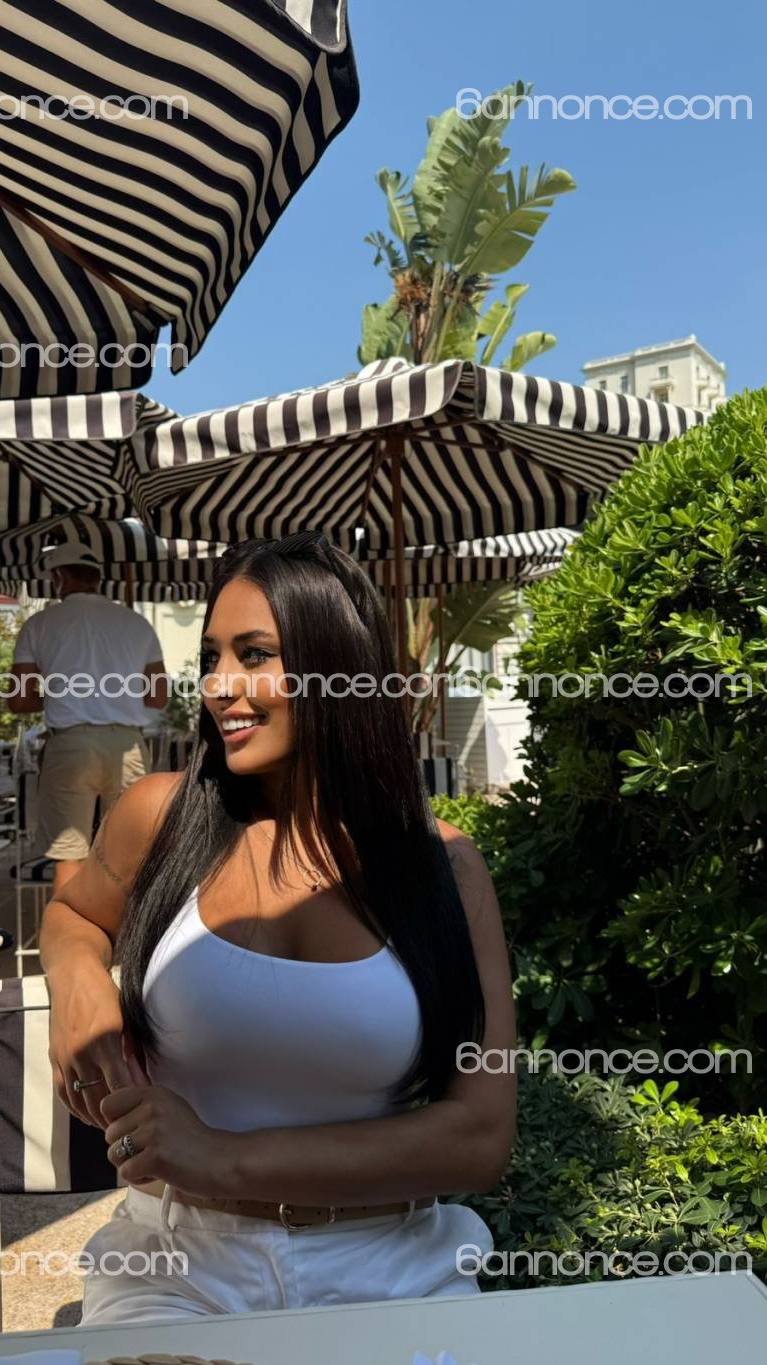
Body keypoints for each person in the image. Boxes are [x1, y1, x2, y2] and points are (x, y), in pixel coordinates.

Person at [41, 533, 516, 1325]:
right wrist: (76, 980)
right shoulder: (159, 818)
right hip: (177, 1267)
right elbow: (72, 913)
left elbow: (479, 1136)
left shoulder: (445, 871)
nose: (219, 686)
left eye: (255, 654)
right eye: (212, 656)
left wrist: (224, 1156)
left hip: (394, 1267)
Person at [10, 544, 168, 893]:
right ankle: (131, 928)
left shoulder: (39, 624)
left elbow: (19, 700)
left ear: (58, 577)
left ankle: (70, 927)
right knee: (130, 854)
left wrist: (61, 694)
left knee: (70, 856)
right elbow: (158, 696)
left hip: (71, 746)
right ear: (98, 578)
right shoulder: (136, 623)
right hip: (128, 744)